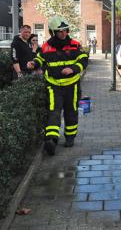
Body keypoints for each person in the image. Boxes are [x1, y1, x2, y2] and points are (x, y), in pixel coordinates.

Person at [27, 16, 89, 155]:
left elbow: (84, 59)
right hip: (53, 86)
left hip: (71, 85)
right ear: (52, 32)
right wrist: (34, 63)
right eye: (60, 31)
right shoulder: (46, 46)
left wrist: (73, 69)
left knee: (71, 112)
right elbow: (40, 58)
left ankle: (70, 137)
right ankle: (52, 140)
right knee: (53, 112)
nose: (64, 33)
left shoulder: (74, 44)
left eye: (65, 30)